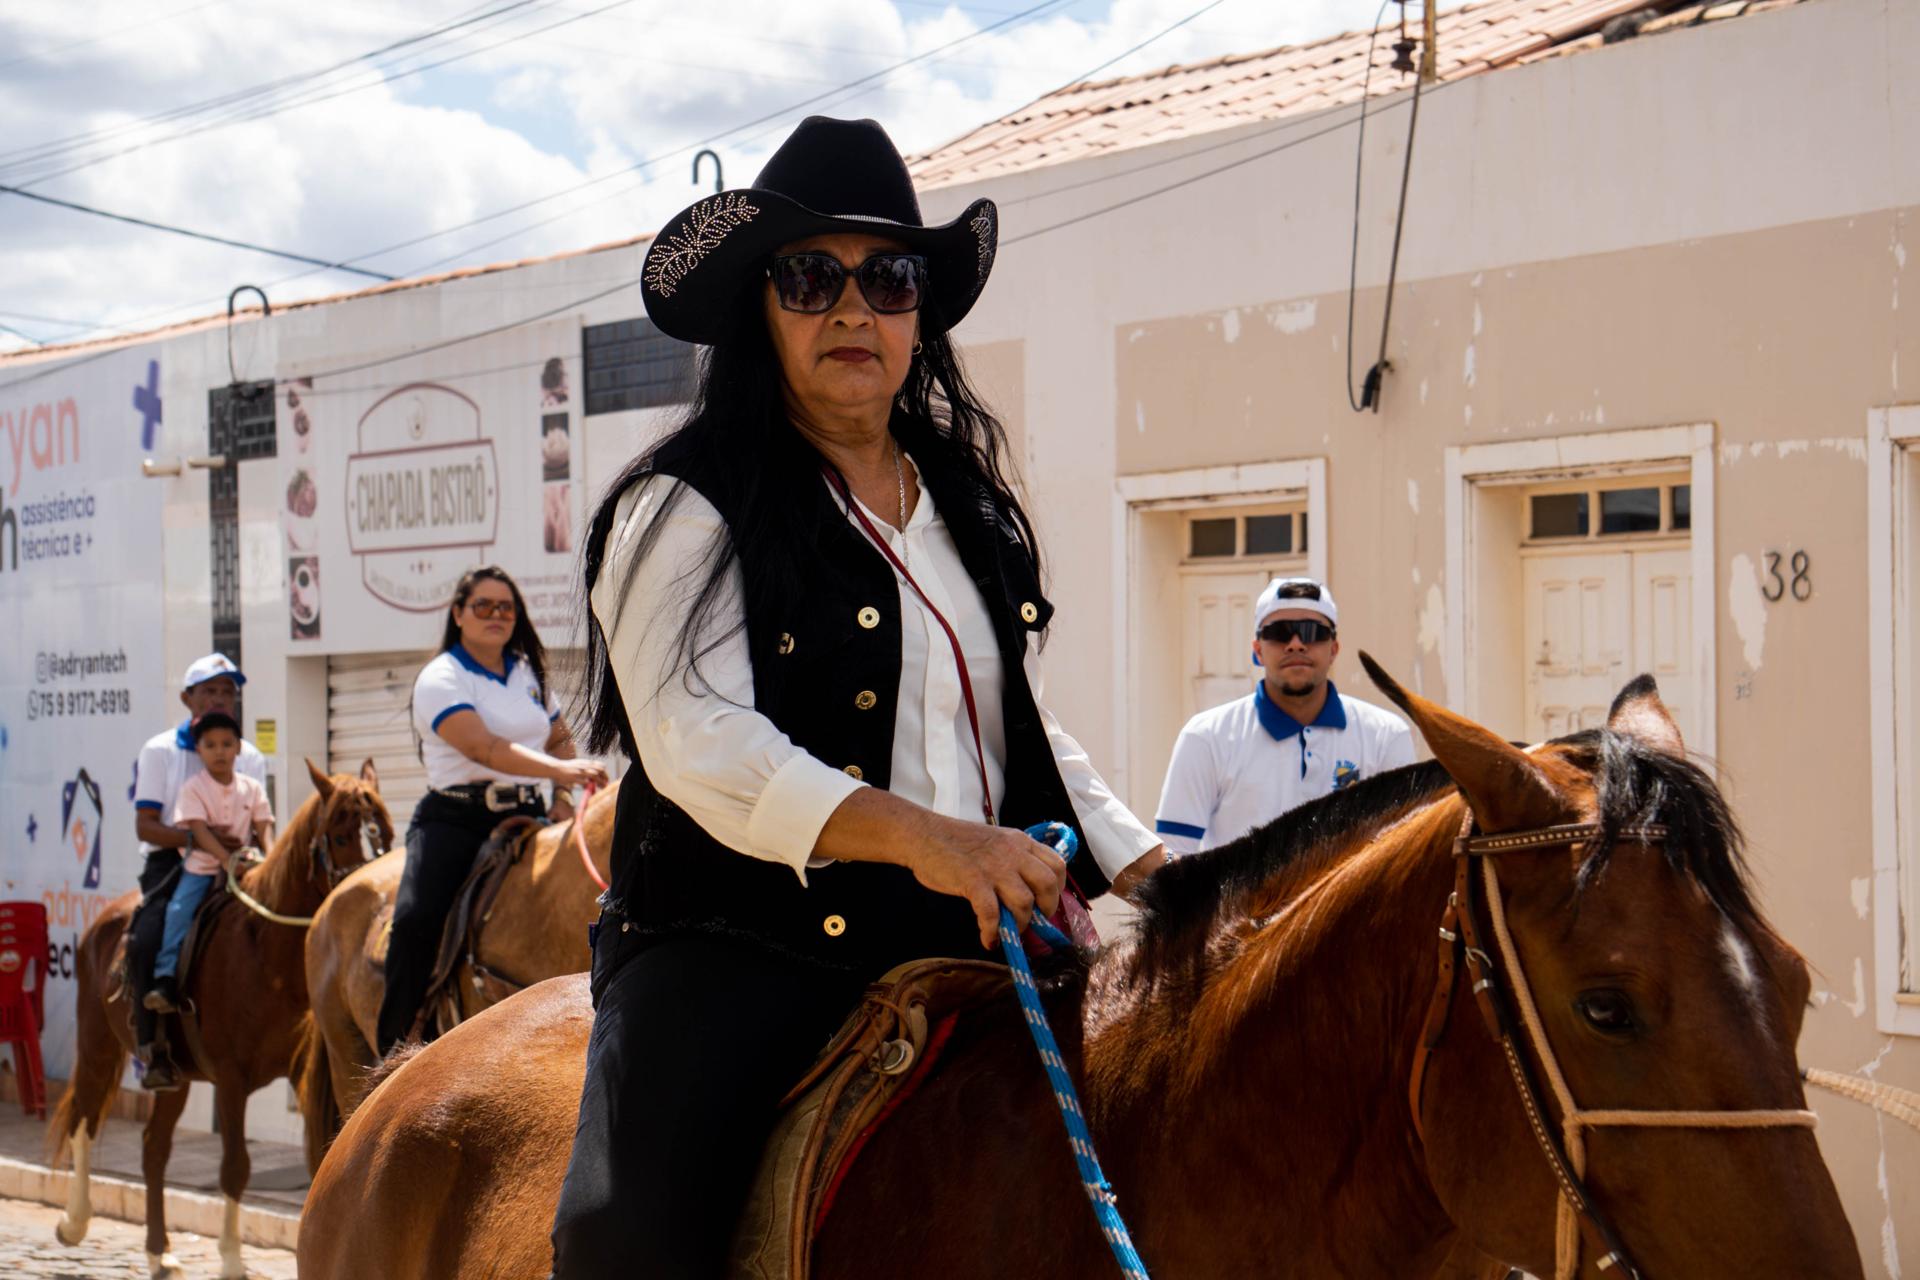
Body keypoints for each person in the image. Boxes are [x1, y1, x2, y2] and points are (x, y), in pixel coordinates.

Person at [548, 115, 1166, 1277]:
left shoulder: (968, 506)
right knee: (624, 1233)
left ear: (918, 311)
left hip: (970, 939)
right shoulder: (683, 502)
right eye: (810, 277)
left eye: (888, 278)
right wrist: (931, 838)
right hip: (740, 944)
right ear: (761, 306)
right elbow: (697, 740)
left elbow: (1015, 724)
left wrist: (1157, 874)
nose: (852, 308)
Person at [373, 566, 608, 1055]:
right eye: (483, 605)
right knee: (416, 920)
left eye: (506, 607)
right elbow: (483, 747)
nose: (496, 615)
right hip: (455, 820)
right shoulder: (442, 677)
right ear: (459, 613)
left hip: (527, 814)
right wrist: (561, 772)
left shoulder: (527, 673)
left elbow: (559, 738)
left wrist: (562, 798)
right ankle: (394, 1050)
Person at [1153, 576, 1415, 855]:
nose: (1296, 644)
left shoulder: (1386, 736)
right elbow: (1174, 851)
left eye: (1313, 632)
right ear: (1257, 650)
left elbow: (1403, 849)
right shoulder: (1206, 737)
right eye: (1279, 632)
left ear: (1333, 649)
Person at [128, 654, 268, 1083]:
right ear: (187, 698)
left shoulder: (249, 754)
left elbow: (261, 820)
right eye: (209, 691)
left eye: (228, 691)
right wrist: (198, 839)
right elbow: (146, 826)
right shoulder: (160, 750)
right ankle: (153, 1047)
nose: (220, 698)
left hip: (238, 863)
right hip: (173, 862)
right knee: (145, 938)